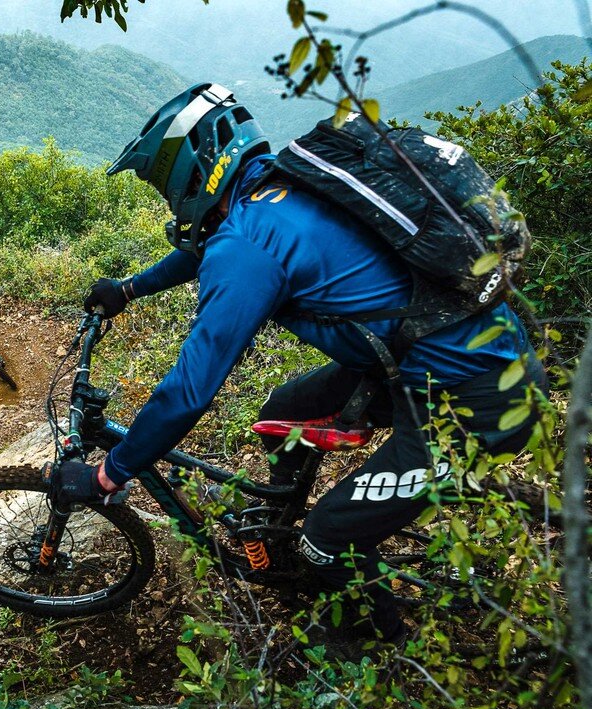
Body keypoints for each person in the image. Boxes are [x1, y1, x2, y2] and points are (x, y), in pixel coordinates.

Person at [56, 83, 546, 650]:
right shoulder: (281, 181)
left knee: (328, 540)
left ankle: (380, 646)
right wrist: (130, 288)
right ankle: (283, 520)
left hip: (477, 399)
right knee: (282, 413)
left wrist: (108, 473)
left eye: (165, 189)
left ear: (191, 177)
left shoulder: (245, 245)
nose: (169, 204)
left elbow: (189, 392)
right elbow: (211, 247)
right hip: (423, 359)